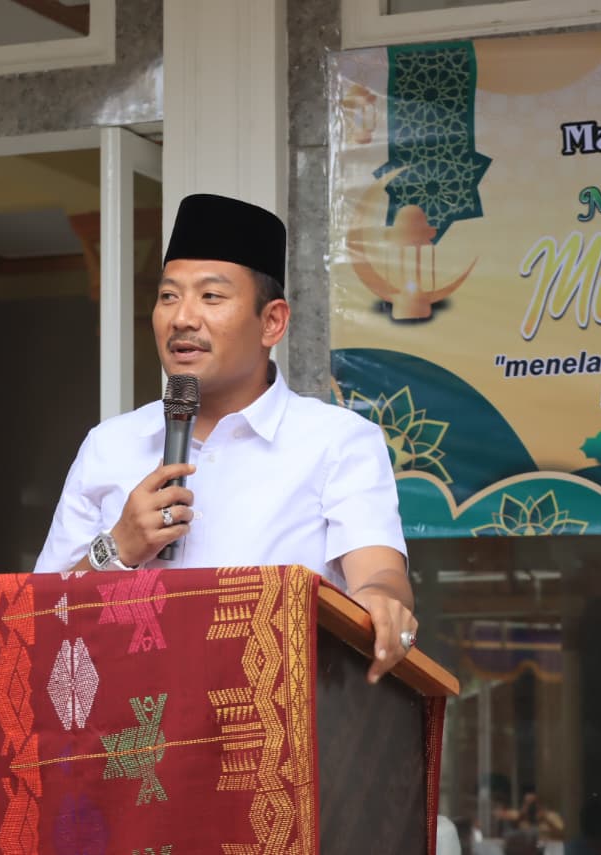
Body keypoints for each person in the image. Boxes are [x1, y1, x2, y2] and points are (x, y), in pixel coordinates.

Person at [34, 193, 417, 682]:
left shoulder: (336, 441)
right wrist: (119, 547)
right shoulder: (110, 445)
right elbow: (40, 617)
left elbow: (380, 574)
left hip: (272, 716)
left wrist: (383, 601)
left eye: (211, 297)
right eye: (168, 296)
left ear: (272, 321)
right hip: (131, 720)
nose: (182, 318)